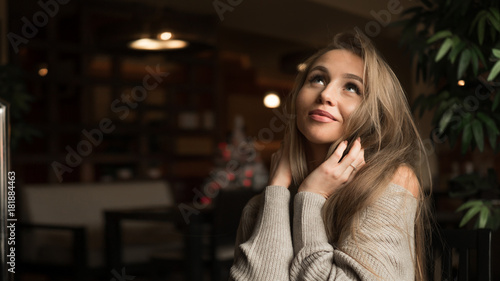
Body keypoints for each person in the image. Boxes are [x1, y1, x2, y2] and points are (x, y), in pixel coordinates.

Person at [229, 31, 431, 281]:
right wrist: (277, 189)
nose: (325, 95)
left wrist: (311, 196)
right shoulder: (264, 205)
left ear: (374, 115)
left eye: (351, 87)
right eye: (318, 79)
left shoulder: (391, 182)